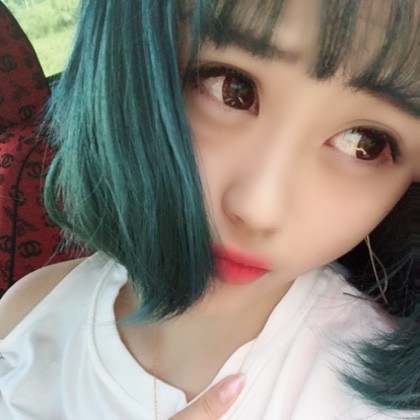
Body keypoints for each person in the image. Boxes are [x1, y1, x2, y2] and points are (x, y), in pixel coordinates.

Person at [1, 0, 420, 418]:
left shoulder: (381, 407)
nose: (259, 209)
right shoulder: (29, 314)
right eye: (232, 89)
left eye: (364, 143)